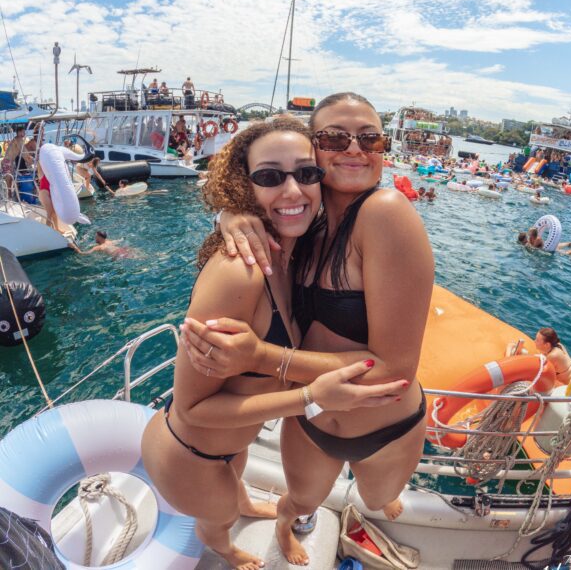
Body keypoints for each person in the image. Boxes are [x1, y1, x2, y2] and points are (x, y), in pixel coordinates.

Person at [141, 118, 407, 570]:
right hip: (190, 454)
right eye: (269, 176)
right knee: (218, 518)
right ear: (245, 186)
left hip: (235, 442)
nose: (293, 190)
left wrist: (229, 216)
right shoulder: (238, 272)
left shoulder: (294, 249)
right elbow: (190, 410)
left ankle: (242, 501)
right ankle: (226, 550)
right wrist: (307, 398)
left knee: (237, 484)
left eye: (306, 173)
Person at [68, 230, 133, 258]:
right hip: (122, 250)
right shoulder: (110, 242)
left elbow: (84, 253)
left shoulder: (98, 247)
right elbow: (120, 240)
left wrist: (75, 247)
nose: (95, 238)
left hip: (117, 255)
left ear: (99, 237)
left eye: (96, 237)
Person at [1, 127, 26, 192]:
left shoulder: (15, 139)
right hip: (8, 162)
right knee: (9, 182)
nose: (24, 133)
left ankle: (10, 196)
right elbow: (25, 153)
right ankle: (9, 197)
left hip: (8, 162)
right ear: (19, 132)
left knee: (10, 181)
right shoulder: (18, 140)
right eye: (23, 132)